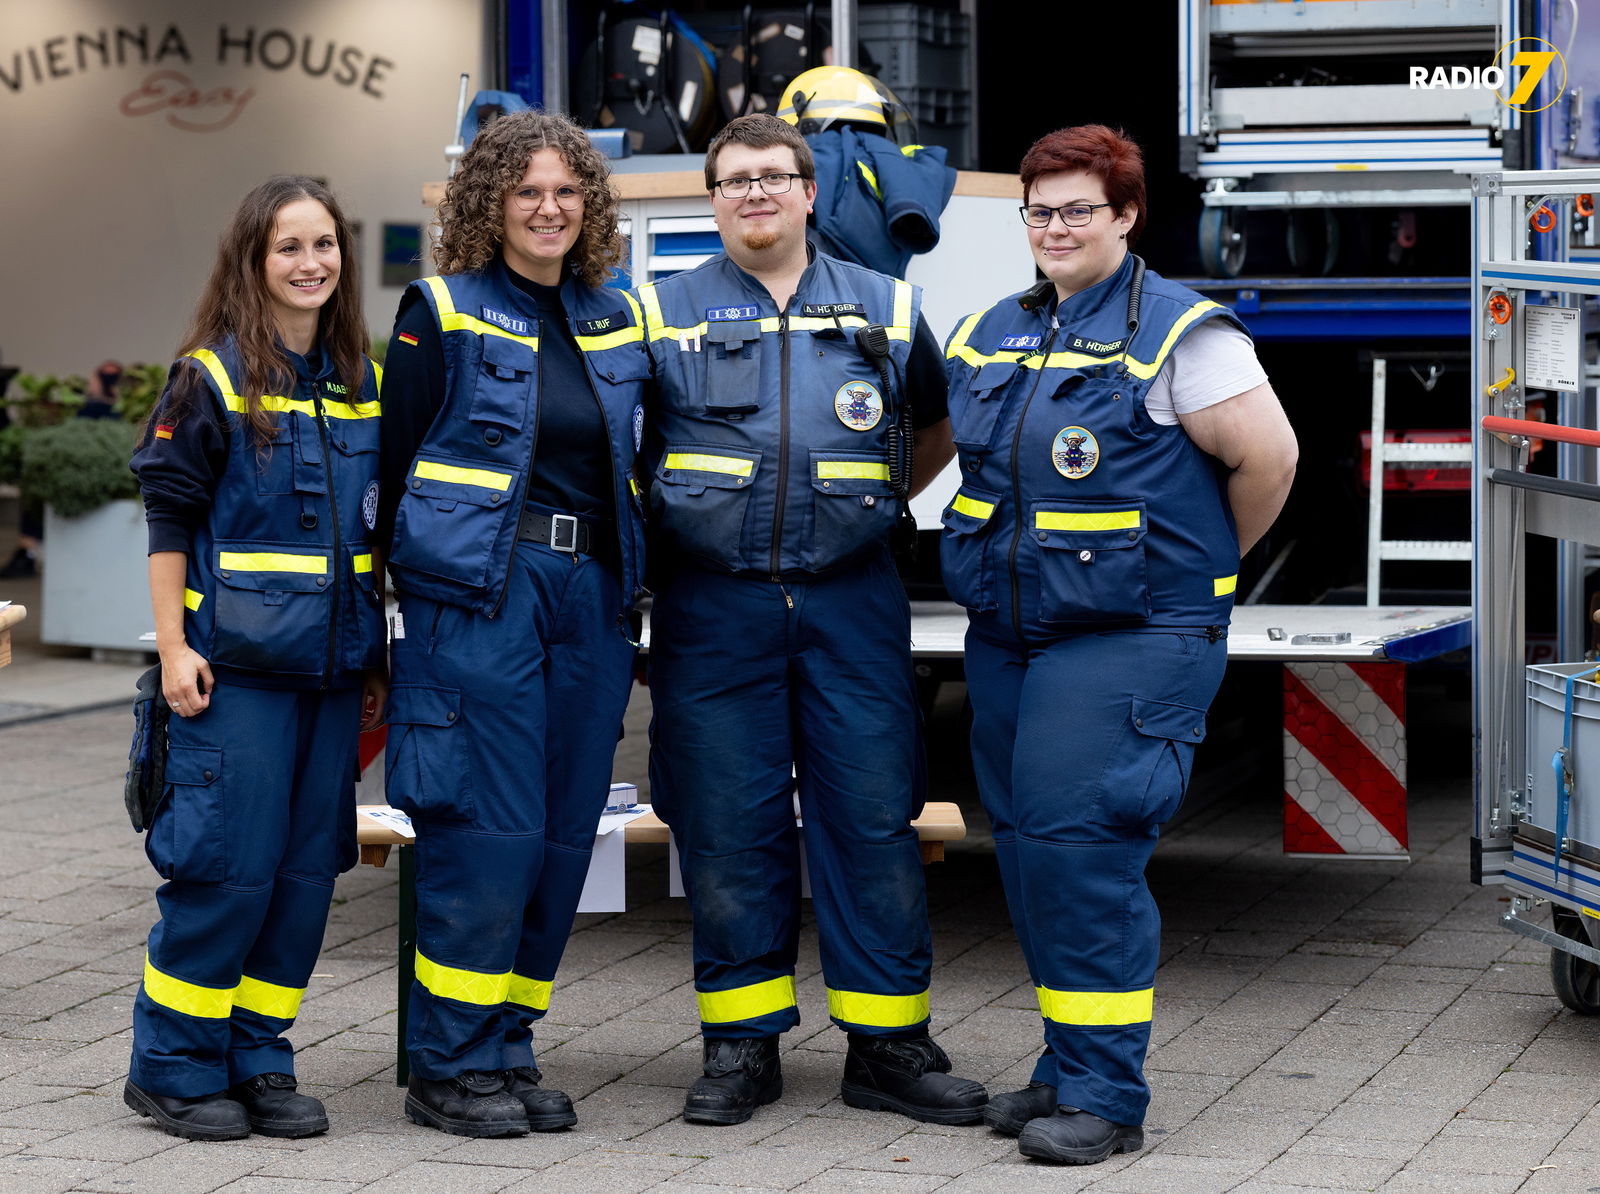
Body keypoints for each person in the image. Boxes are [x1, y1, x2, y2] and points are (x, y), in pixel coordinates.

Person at [940, 125, 1298, 1165]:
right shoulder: (992, 330)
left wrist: (1191, 575)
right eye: (1038, 210)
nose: (1054, 228)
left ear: (1128, 215)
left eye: (1076, 209)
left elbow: (1267, 464)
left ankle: (1105, 1094)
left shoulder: (1186, 335)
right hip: (1013, 635)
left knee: (1082, 849)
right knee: (1027, 852)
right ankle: (1065, 1063)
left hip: (1133, 636)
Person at [637, 112, 985, 1127]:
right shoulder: (659, 314)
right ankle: (741, 1049)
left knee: (871, 821)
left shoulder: (883, 305)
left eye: (775, 177)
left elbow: (936, 421)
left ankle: (888, 1049)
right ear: (711, 200)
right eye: (735, 179)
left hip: (850, 598)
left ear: (807, 193)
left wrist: (870, 506)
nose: (756, 193)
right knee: (726, 829)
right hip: (714, 605)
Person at [377, 110, 648, 1138]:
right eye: (527, 190)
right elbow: (391, 473)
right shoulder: (438, 311)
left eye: (566, 191)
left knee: (562, 834)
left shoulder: (616, 314)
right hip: (480, 595)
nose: (548, 208)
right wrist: (378, 629)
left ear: (589, 206)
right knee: (487, 832)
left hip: (590, 595)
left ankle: (508, 1043)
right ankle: (448, 1062)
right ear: (490, 202)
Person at [126, 176, 387, 1141]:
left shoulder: (359, 380)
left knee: (306, 873)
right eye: (289, 247)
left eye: (325, 245)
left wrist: (368, 659)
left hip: (328, 678)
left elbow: (367, 542)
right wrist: (174, 647)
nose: (311, 263)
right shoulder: (214, 375)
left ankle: (258, 1058)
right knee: (225, 871)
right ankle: (172, 1065)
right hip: (230, 677)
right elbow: (168, 518)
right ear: (252, 260)